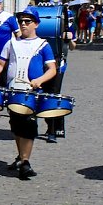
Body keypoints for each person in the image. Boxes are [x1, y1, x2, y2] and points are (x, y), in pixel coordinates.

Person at [0, 6, 57, 180]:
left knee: (28, 126)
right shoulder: (11, 43)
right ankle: (21, 157)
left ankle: (25, 162)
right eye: (21, 21)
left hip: (31, 92)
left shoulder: (43, 45)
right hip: (13, 90)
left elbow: (52, 69)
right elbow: (0, 64)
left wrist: (40, 80)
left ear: (36, 24)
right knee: (16, 125)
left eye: (27, 21)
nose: (23, 24)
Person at [43, 10, 77, 144]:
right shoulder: (47, 26)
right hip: (41, 62)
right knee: (41, 94)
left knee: (53, 95)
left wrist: (69, 39)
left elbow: (73, 47)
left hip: (59, 63)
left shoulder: (69, 27)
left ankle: (52, 130)